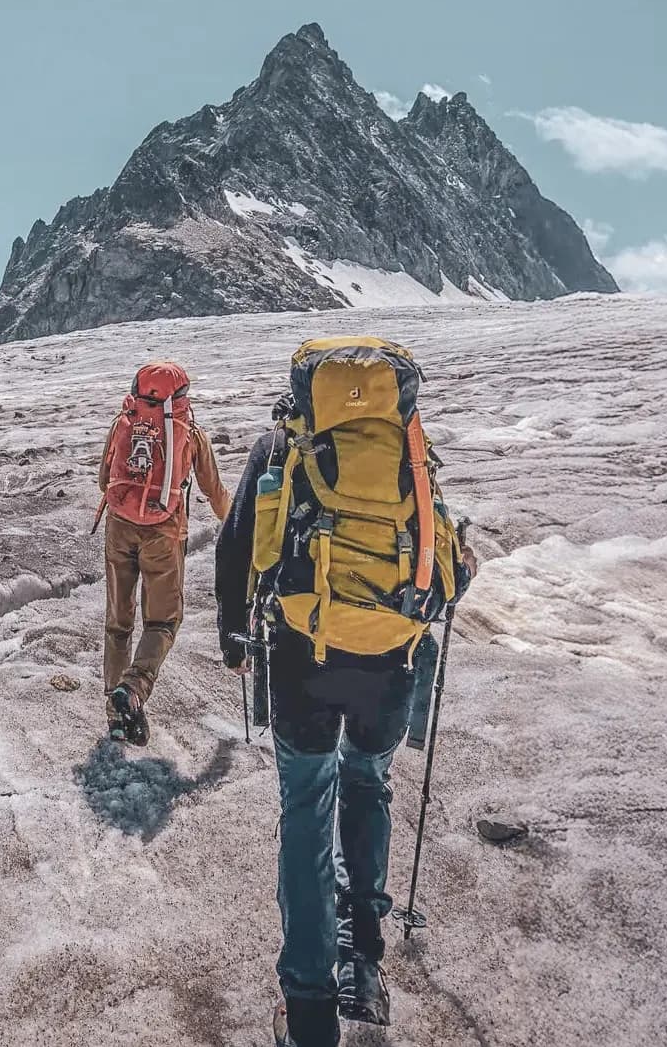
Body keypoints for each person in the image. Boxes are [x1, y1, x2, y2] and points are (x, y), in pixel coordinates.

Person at [216, 347, 473, 1047]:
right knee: (368, 781)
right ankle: (363, 965)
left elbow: (234, 546)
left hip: (304, 657)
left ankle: (307, 1007)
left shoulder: (281, 446)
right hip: (389, 662)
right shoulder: (408, 453)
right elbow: (447, 564)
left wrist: (235, 638)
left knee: (307, 806)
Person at [93, 360, 232, 746]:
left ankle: (115, 716)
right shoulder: (189, 433)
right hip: (164, 534)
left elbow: (105, 480)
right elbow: (214, 490)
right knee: (162, 622)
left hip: (119, 529)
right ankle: (134, 689)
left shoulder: (124, 421)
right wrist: (236, 527)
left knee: (118, 623)